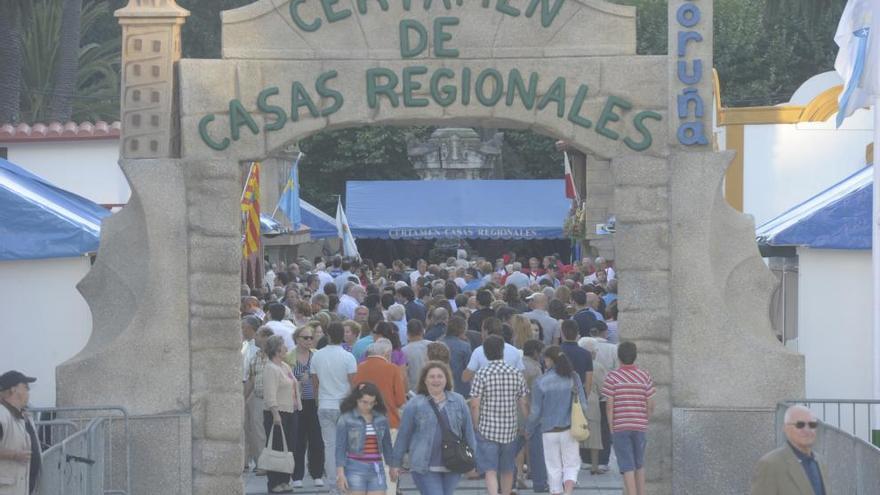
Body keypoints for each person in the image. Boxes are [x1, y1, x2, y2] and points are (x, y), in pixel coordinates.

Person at [390, 362, 477, 495]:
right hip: (424, 466)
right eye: (432, 377)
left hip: (454, 464)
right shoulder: (415, 404)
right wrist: (395, 463)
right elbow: (404, 435)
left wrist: (474, 461)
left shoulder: (458, 401)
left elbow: (468, 433)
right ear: (425, 380)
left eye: (440, 376)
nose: (436, 380)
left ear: (446, 379)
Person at [469, 336, 530, 495]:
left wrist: (475, 424)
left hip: (487, 428)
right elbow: (524, 402)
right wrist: (528, 423)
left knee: (490, 470)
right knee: (507, 469)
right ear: (502, 350)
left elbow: (475, 404)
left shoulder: (481, 373)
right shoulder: (516, 373)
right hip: (510, 428)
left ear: (485, 352)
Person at [526, 346, 587, 495]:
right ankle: (568, 491)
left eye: (545, 359)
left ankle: (556, 492)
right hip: (569, 429)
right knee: (571, 464)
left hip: (548, 430)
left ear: (550, 360)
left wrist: (529, 428)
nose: (544, 362)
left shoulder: (540, 381)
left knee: (553, 467)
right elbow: (584, 406)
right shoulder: (574, 377)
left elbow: (535, 412)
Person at [353, 338, 407, 495]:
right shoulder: (393, 369)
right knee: (388, 462)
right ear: (386, 353)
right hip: (389, 420)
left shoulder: (359, 368)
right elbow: (400, 400)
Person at [601, 341, 655, 495]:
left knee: (626, 465)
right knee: (639, 463)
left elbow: (609, 406)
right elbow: (650, 404)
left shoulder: (612, 377)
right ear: (635, 357)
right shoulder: (644, 375)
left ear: (619, 357)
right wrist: (645, 420)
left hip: (620, 426)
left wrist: (611, 427)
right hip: (640, 425)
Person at [312, 322, 358, 494]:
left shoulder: (317, 356)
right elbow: (353, 385)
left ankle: (333, 485)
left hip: (325, 404)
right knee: (347, 447)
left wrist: (318, 402)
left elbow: (315, 384)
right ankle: (346, 483)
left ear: (328, 335)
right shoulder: (348, 357)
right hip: (344, 405)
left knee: (329, 447)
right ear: (343, 336)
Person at [750, 405, 828, 495]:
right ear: (786, 429)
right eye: (800, 425)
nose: (807, 430)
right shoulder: (770, 464)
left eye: (812, 425)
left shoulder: (820, 462)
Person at [336, 382, 394, 495]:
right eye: (364, 402)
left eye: (372, 403)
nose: (368, 406)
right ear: (356, 399)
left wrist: (393, 466)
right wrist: (341, 474)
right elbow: (340, 448)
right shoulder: (346, 419)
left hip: (377, 467)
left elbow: (387, 446)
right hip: (354, 468)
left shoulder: (381, 419)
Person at [262, 335, 302, 494]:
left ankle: (285, 480)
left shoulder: (285, 366)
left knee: (289, 447)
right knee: (276, 448)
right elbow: (269, 393)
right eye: (284, 346)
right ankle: (274, 482)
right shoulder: (270, 368)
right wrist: (275, 413)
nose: (286, 348)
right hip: (277, 413)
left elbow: (293, 385)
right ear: (277, 350)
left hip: (291, 412)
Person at [286, 326, 325, 488]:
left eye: (311, 338)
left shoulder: (316, 355)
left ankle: (317, 473)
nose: (309, 340)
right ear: (297, 339)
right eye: (305, 338)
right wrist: (298, 380)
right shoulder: (289, 357)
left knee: (316, 439)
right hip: (296, 403)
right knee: (298, 440)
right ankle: (297, 475)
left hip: (314, 402)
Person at [0, 371, 40, 495]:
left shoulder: (19, 415)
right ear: (13, 390)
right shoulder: (2, 416)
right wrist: (14, 455)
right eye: (25, 387)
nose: (28, 392)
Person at [244, 327, 273, 474]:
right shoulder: (255, 356)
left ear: (266, 338)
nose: (255, 337)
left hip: (273, 399)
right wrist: (244, 398)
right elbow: (251, 379)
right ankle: (262, 464)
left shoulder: (275, 356)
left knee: (270, 432)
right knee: (257, 432)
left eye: (258, 335)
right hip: (258, 398)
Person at [462, 317, 525, 384]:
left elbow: (466, 377)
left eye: (482, 330)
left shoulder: (479, 351)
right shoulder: (514, 351)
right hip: (509, 392)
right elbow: (522, 375)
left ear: (485, 332)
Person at [579, 338, 607, 475]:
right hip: (593, 401)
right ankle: (594, 466)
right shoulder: (598, 366)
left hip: (576, 400)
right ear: (592, 352)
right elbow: (604, 388)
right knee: (594, 434)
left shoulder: (574, 363)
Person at [440, 316, 473, 397]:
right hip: (461, 389)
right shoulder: (465, 346)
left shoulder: (438, 343)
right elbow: (470, 370)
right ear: (462, 329)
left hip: (441, 387)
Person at [401, 320, 430, 391]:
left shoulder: (402, 351)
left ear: (407, 333)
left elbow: (402, 375)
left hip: (413, 392)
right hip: (432, 388)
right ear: (423, 331)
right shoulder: (433, 345)